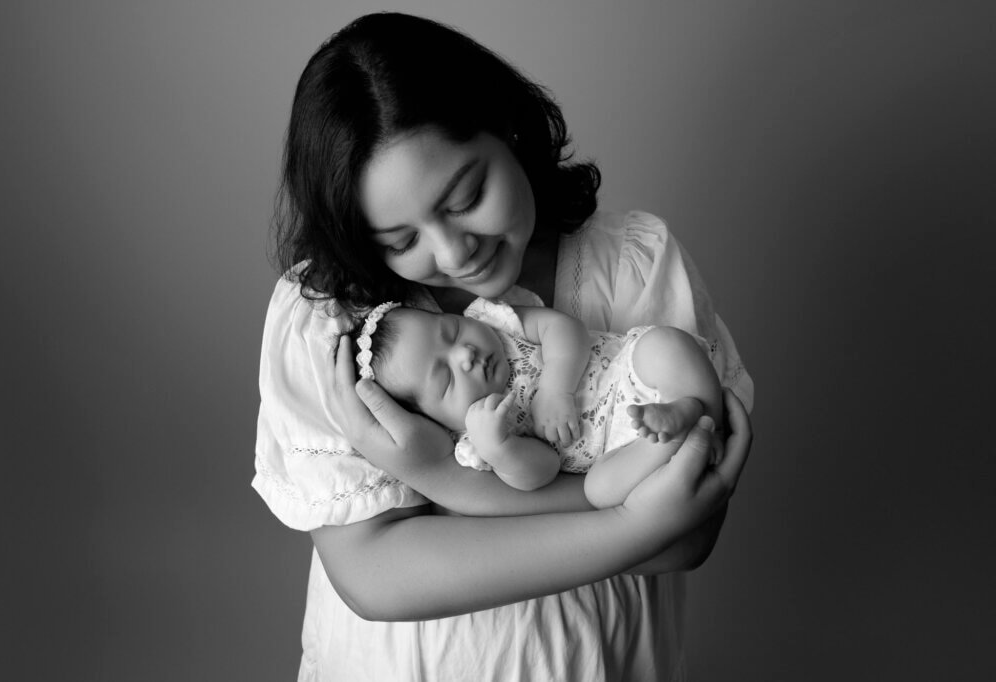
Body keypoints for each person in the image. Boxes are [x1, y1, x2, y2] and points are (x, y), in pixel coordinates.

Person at [253, 11, 754, 681]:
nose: (454, 251)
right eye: (402, 241)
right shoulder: (332, 327)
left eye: (467, 196)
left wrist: (440, 487)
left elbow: (687, 535)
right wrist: (632, 524)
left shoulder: (631, 264)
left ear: (507, 128)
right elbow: (377, 574)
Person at [343, 298, 723, 507]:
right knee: (599, 492)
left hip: (630, 370)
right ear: (435, 419)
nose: (465, 355)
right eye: (445, 379)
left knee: (666, 345)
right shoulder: (476, 439)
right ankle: (678, 430)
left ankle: (699, 414)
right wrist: (502, 449)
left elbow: (563, 328)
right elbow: (545, 469)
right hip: (619, 447)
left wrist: (556, 388)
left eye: (452, 331)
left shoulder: (496, 322)